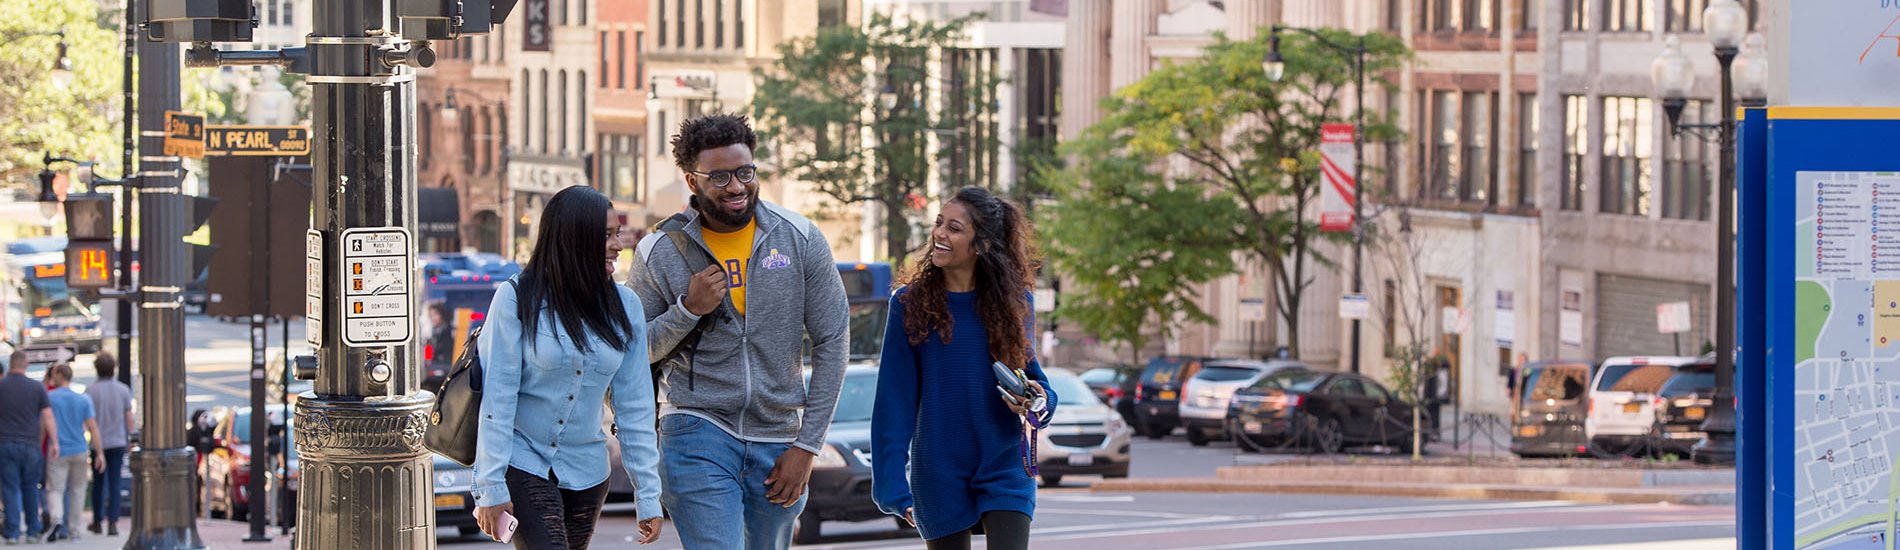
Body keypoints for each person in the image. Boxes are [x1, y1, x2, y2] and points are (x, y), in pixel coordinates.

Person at [626, 113, 850, 550]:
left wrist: (807, 447)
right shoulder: (659, 251)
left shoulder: (799, 238)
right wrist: (687, 310)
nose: (736, 186)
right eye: (721, 176)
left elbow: (833, 341)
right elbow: (637, 351)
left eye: (745, 172)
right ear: (692, 181)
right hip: (696, 428)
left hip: (779, 436)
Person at [469, 185, 665, 549]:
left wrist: (648, 494)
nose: (617, 244)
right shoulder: (516, 298)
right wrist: (490, 487)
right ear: (573, 238)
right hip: (523, 460)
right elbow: (497, 399)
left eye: (617, 232)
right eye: (605, 235)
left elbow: (635, 406)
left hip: (588, 471)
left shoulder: (626, 306)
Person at [871, 187, 1057, 550]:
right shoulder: (908, 305)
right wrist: (892, 486)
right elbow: (894, 401)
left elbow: (1036, 381)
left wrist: (1037, 401)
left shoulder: (1016, 303)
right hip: (939, 470)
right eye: (939, 223)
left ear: (982, 244)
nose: (939, 233)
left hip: (1005, 462)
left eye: (954, 228)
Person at [41, 363, 101, 542]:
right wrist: (100, 452)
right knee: (77, 490)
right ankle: (74, 529)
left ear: (59, 375)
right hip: (79, 448)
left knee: (56, 489)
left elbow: (44, 426)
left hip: (57, 449)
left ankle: (57, 518)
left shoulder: (49, 397)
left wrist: (40, 445)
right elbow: (93, 427)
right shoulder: (83, 399)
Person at [0, 350, 55, 544]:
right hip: (31, 444)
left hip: (5, 443)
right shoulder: (37, 388)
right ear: (26, 365)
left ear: (10, 364)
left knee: (10, 488)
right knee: (31, 487)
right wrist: (54, 442)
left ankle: (13, 532)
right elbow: (47, 417)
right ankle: (33, 530)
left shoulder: (2, 386)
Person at [85, 353, 134, 537]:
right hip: (117, 441)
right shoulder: (123, 390)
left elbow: (86, 421)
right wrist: (129, 436)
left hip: (97, 444)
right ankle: (113, 521)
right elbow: (129, 418)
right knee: (115, 482)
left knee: (99, 482)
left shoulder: (90, 391)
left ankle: (97, 520)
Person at [424, 302, 456, 387]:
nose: (433, 318)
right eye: (431, 316)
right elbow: (428, 355)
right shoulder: (432, 333)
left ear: (442, 314)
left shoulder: (449, 332)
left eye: (435, 314)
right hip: (434, 368)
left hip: (446, 367)